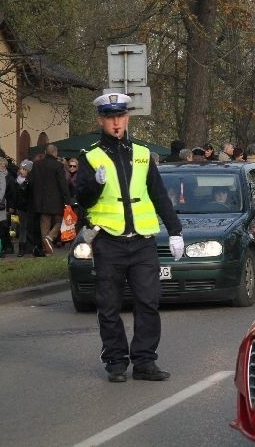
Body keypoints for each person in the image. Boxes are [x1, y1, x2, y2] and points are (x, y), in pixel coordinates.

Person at [75, 92, 183, 383]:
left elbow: (159, 194)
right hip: (108, 240)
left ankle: (145, 362)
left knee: (148, 302)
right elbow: (81, 200)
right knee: (109, 306)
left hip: (142, 240)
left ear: (127, 119)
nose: (116, 123)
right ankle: (116, 362)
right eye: (110, 118)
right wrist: (95, 186)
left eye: (120, 117)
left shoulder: (143, 154)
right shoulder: (91, 156)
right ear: (101, 121)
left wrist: (175, 231)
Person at [30, 144, 71, 255]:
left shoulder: (36, 165)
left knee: (44, 224)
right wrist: (67, 200)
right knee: (59, 222)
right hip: (56, 201)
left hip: (40, 201)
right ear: (55, 153)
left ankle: (45, 248)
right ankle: (50, 237)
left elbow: (31, 182)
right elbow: (63, 184)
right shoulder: (58, 166)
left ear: (45, 152)